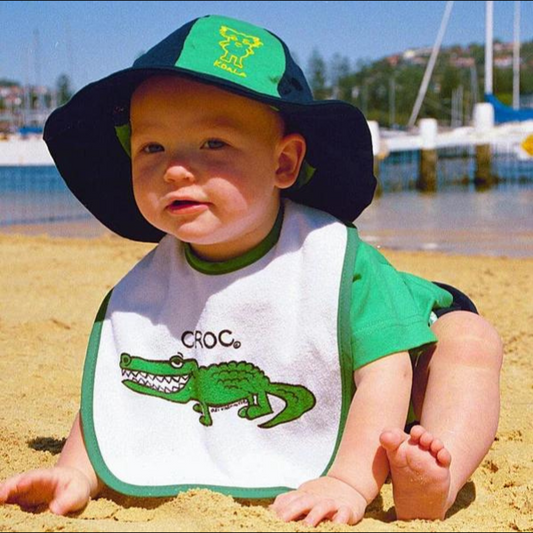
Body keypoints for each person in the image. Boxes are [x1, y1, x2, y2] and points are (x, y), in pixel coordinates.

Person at [0, 15, 502, 527]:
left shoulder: (334, 261)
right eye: (152, 147)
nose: (174, 168)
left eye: (213, 143)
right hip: (324, 388)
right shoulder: (145, 288)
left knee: (470, 339)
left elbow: (386, 371)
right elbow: (120, 383)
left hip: (407, 371)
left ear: (284, 164)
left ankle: (438, 475)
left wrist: (349, 480)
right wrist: (77, 471)